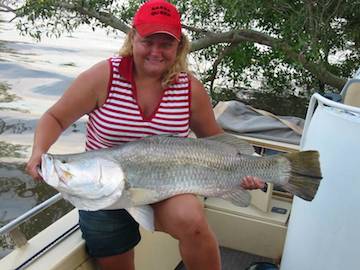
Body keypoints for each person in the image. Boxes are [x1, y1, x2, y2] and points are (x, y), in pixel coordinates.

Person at [26, 0, 265, 269]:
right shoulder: (103, 77)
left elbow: (216, 142)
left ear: (179, 46)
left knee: (192, 218)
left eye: (166, 43)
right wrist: (39, 151)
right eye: (148, 41)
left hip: (165, 189)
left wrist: (248, 168)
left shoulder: (190, 90)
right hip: (103, 195)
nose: (156, 51)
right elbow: (55, 118)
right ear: (132, 38)